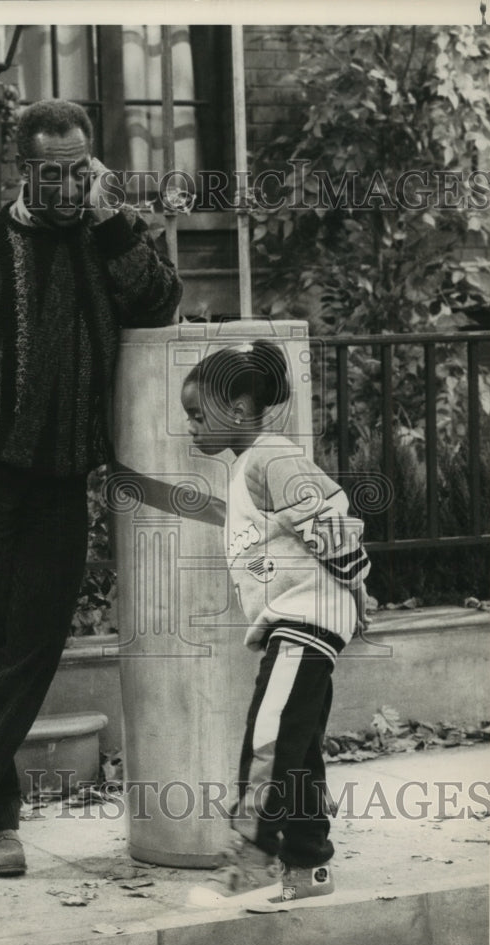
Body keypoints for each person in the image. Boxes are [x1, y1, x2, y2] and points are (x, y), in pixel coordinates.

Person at [0, 98, 182, 884]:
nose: (67, 185)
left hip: (62, 478)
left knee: (34, 645)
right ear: (25, 167)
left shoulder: (107, 238)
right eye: (52, 171)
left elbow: (161, 303)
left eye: (80, 168)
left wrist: (115, 218)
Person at [180, 340, 370, 907]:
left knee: (269, 736)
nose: (190, 427)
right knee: (299, 747)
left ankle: (252, 855)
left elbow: (328, 518)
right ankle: (309, 867)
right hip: (299, 618)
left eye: (197, 414)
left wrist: (357, 584)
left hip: (307, 621)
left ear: (237, 407)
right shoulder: (250, 468)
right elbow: (273, 548)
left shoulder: (271, 456)